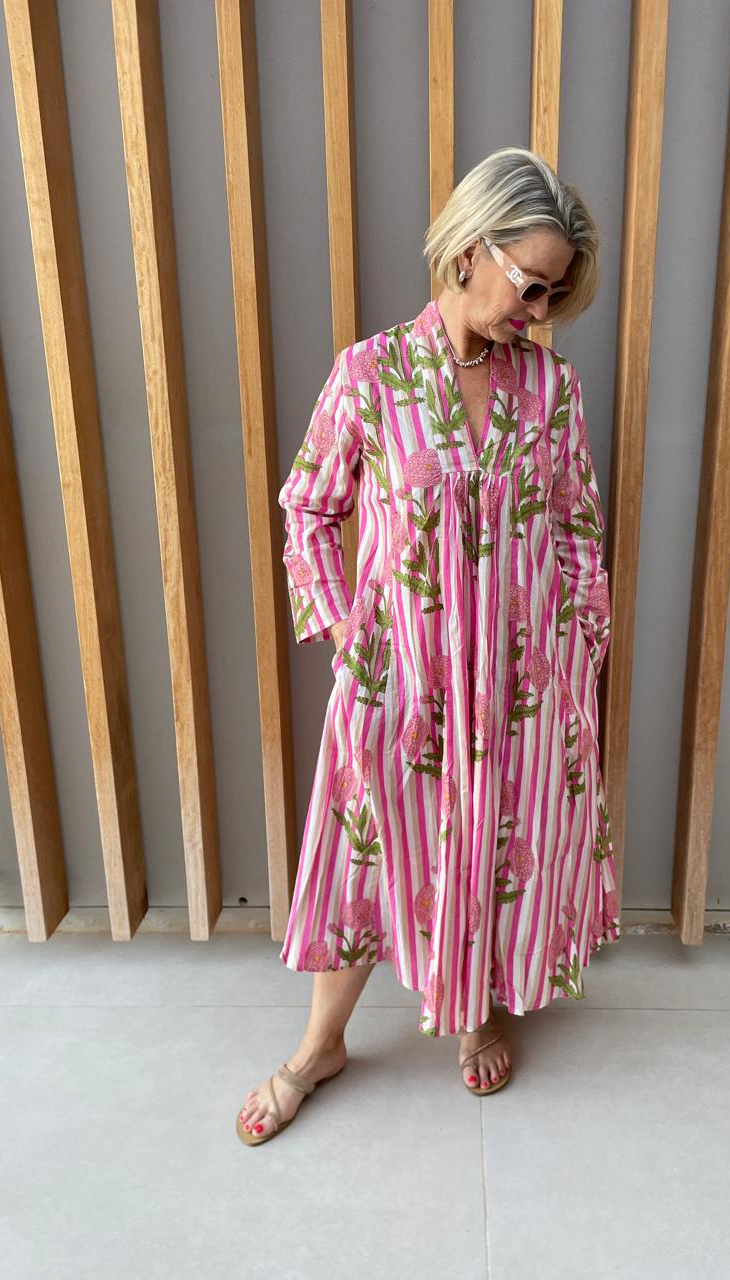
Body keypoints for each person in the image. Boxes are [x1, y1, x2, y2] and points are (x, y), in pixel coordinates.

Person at [237, 146, 619, 1146]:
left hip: (522, 691)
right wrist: (346, 634)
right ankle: (322, 1042)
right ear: (468, 255)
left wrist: (581, 648)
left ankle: (477, 1006)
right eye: (530, 287)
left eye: (553, 295)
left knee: (497, 850)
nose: (537, 313)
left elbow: (578, 524)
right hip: (399, 685)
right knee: (370, 859)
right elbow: (308, 511)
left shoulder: (551, 390)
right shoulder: (369, 376)